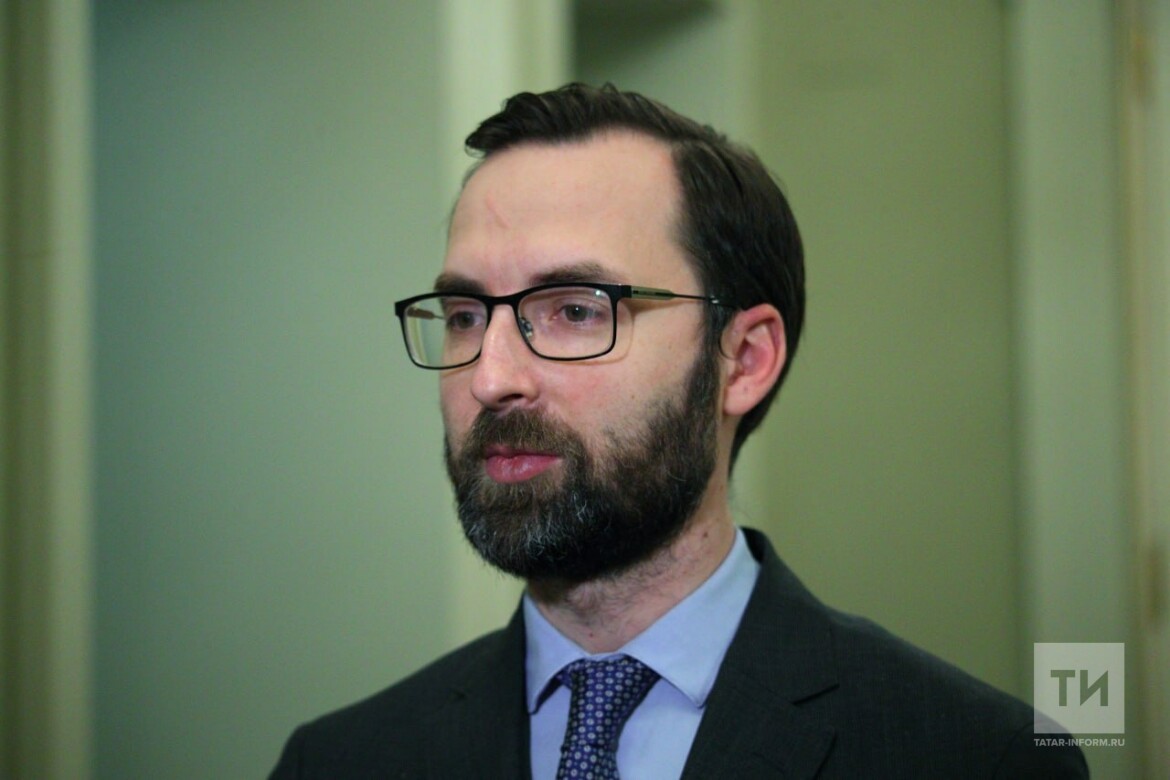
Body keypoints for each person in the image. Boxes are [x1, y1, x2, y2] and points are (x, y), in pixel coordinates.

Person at [269, 83, 1087, 779]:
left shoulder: (976, 757)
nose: (491, 377)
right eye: (463, 316)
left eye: (576, 311)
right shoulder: (339, 762)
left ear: (744, 360)